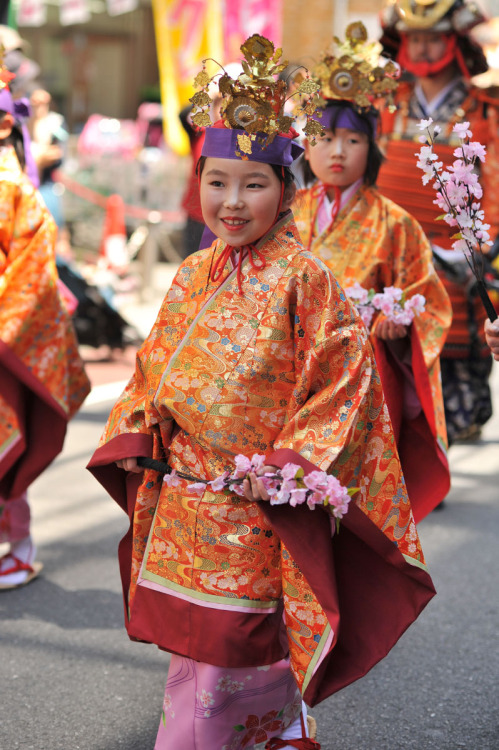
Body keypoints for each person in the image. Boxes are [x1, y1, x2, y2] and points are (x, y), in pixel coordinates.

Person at [88, 35, 435, 750]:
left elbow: (343, 386)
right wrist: (134, 429)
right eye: (217, 182)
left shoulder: (305, 277)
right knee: (194, 662)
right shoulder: (191, 272)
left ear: (287, 189)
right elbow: (150, 370)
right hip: (187, 496)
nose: (232, 201)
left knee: (233, 659)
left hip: (255, 501)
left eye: (253, 184)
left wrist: (288, 467)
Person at [293, 22, 452, 521]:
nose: (337, 152)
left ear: (372, 146)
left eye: (353, 139)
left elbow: (428, 299)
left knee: (348, 504)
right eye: (326, 138)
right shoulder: (283, 213)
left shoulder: (396, 223)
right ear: (307, 144)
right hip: (287, 371)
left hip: (364, 378)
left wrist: (401, 327)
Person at [376, 0, 498, 444]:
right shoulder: (389, 102)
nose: (423, 49)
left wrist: (481, 245)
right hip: (390, 249)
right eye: (415, 40)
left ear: (454, 41)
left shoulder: (485, 104)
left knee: (454, 351)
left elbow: (497, 178)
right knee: (389, 350)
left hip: (459, 252)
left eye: (432, 38)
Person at [0, 69, 90, 590]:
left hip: (4, 339)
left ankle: (19, 546)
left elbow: (32, 272)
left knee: (9, 440)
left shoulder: (14, 188)